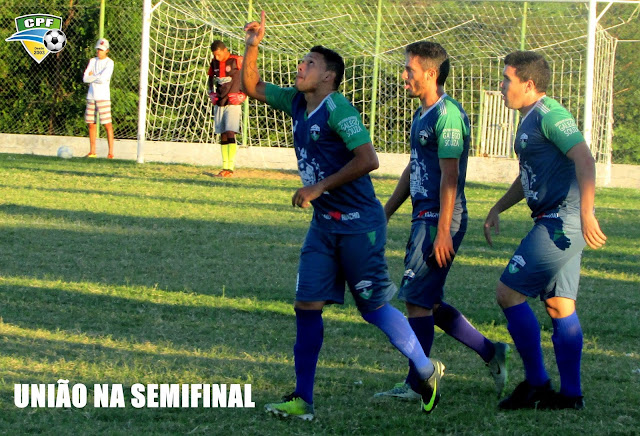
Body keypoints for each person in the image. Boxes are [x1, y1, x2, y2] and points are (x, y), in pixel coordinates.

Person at [241, 12, 444, 420]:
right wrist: (252, 44)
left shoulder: (338, 109)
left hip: (359, 225)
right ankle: (303, 399)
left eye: (310, 64)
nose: (301, 67)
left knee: (372, 310)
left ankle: (426, 369)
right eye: (302, 62)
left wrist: (320, 186)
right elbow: (250, 86)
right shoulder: (298, 101)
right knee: (306, 304)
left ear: (329, 76)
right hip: (324, 226)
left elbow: (369, 159)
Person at [376, 41, 510, 402]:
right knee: (427, 302)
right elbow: (414, 167)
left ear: (431, 73)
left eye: (409, 69)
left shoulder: (448, 115)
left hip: (439, 218)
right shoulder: (422, 113)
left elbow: (451, 177)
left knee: (417, 301)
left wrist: (442, 232)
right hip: (424, 216)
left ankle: (417, 384)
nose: (404, 75)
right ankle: (490, 352)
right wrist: (386, 210)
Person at [484, 51, 607, 410]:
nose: (502, 86)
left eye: (507, 80)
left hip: (561, 221)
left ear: (529, 84)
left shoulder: (551, 114)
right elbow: (529, 177)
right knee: (559, 304)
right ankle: (571, 396)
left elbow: (584, 158)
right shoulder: (529, 119)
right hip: (557, 219)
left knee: (508, 293)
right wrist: (497, 207)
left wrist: (586, 214)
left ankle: (537, 382)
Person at [208, 40, 245, 177]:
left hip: (233, 103)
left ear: (225, 50)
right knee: (222, 133)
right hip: (220, 102)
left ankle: (230, 168)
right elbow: (210, 78)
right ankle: (224, 167)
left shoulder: (237, 61)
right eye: (214, 55)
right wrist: (211, 92)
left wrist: (243, 95)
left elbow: (249, 76)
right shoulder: (214, 62)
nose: (217, 57)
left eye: (218, 54)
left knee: (230, 132)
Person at [83, 38, 114, 159]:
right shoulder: (92, 61)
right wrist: (96, 77)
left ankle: (110, 153)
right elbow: (85, 78)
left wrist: (93, 76)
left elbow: (103, 79)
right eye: (98, 49)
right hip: (91, 96)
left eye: (102, 50)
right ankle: (92, 151)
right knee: (91, 123)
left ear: (107, 50)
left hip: (103, 97)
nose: (99, 52)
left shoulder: (109, 63)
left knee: (107, 124)